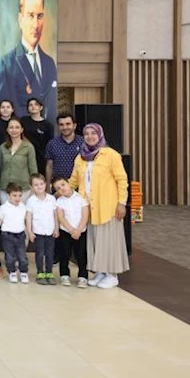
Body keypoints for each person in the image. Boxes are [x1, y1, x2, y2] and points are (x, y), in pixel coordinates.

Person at [68, 123, 129, 289]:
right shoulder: (80, 157)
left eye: (93, 133)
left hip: (108, 207)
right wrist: (59, 193)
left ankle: (112, 275)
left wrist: (122, 203)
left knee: (108, 241)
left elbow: (122, 180)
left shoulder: (111, 155)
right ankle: (101, 272)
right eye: (86, 134)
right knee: (95, 241)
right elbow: (73, 181)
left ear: (100, 135)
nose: (90, 136)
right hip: (88, 208)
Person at [0, 0, 58, 119]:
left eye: (39, 16)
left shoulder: (49, 63)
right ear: (20, 19)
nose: (35, 25)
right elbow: (5, 105)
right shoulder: (6, 63)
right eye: (30, 15)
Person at [53, 176, 90, 288]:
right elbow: (61, 218)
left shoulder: (81, 198)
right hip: (66, 231)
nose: (62, 189)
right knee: (64, 253)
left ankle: (83, 276)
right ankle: (64, 275)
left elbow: (85, 215)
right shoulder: (59, 202)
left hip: (81, 231)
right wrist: (71, 230)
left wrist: (78, 230)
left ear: (69, 183)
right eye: (58, 188)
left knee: (81, 254)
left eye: (63, 185)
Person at [26, 173, 59, 286]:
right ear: (31, 187)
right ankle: (40, 273)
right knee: (39, 253)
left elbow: (55, 215)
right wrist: (30, 232)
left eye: (41, 184)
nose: (39, 186)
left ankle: (49, 273)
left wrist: (56, 228)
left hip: (50, 231)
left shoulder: (51, 199)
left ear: (46, 184)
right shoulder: (31, 201)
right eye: (36, 185)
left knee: (50, 253)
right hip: (38, 232)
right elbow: (29, 217)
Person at [0, 118, 37, 204]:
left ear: (22, 129)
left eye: (17, 127)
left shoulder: (28, 147)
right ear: (7, 130)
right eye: (11, 127)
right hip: (5, 188)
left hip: (23, 188)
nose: (14, 130)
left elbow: (33, 169)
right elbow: (0, 167)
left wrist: (34, 187)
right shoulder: (2, 147)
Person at [0, 183, 29, 284]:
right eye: (14, 195)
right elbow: (0, 220)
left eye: (20, 195)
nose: (17, 198)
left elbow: (26, 220)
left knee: (22, 256)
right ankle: (12, 272)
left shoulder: (23, 207)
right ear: (8, 195)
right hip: (7, 235)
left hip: (20, 234)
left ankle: (23, 272)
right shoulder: (4, 207)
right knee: (10, 256)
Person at [45, 114, 83, 188]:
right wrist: (48, 186)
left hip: (79, 185)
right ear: (58, 127)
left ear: (74, 126)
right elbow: (49, 166)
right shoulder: (52, 143)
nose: (65, 127)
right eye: (61, 125)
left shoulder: (83, 143)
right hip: (58, 186)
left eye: (68, 124)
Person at [20, 98, 54, 174]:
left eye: (36, 104)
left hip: (41, 157)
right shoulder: (23, 121)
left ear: (41, 107)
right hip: (24, 155)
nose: (33, 107)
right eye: (30, 105)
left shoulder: (47, 125)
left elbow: (50, 143)